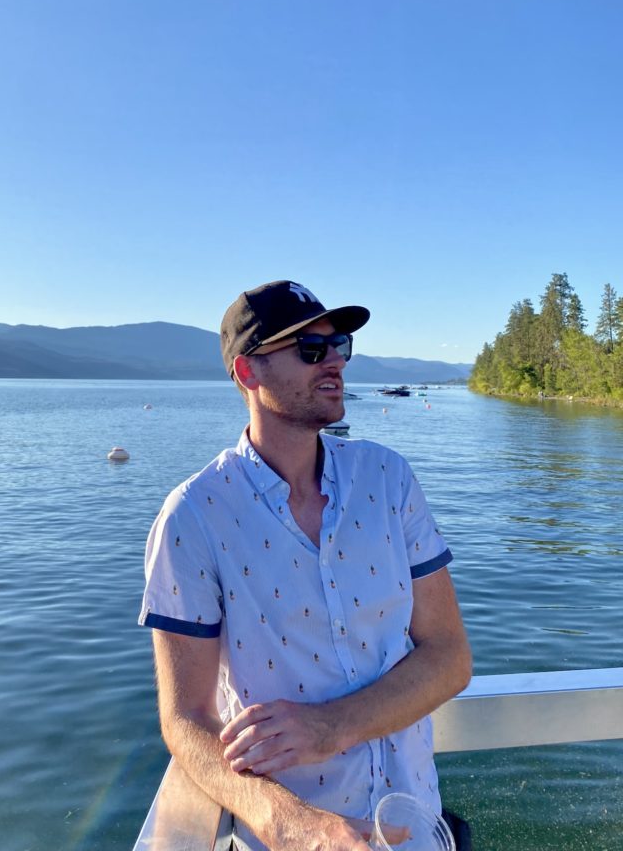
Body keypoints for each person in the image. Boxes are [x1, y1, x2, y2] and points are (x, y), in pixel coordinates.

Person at [139, 280, 472, 851]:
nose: (335, 363)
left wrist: (329, 727)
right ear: (248, 373)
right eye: (310, 350)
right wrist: (289, 822)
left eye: (338, 344)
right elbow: (186, 718)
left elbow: (450, 656)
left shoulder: (389, 481)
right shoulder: (194, 518)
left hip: (416, 829)